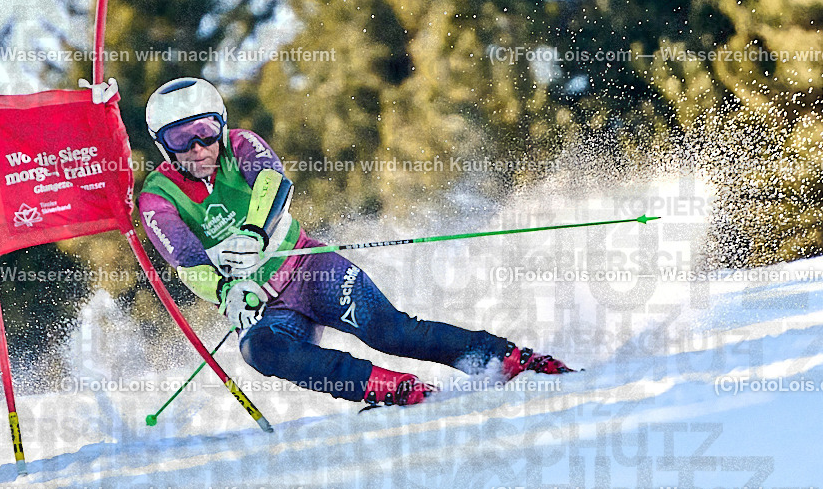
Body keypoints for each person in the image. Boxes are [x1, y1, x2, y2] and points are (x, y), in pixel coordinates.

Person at [138, 77, 572, 407]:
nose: (198, 147)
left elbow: (273, 181)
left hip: (309, 269)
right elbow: (185, 256)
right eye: (181, 138)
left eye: (205, 131)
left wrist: (254, 234)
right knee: (260, 349)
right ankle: (390, 388)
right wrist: (226, 291)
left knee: (390, 330)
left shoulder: (241, 145)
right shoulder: (157, 196)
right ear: (163, 145)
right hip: (266, 305)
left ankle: (503, 358)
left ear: (221, 125)